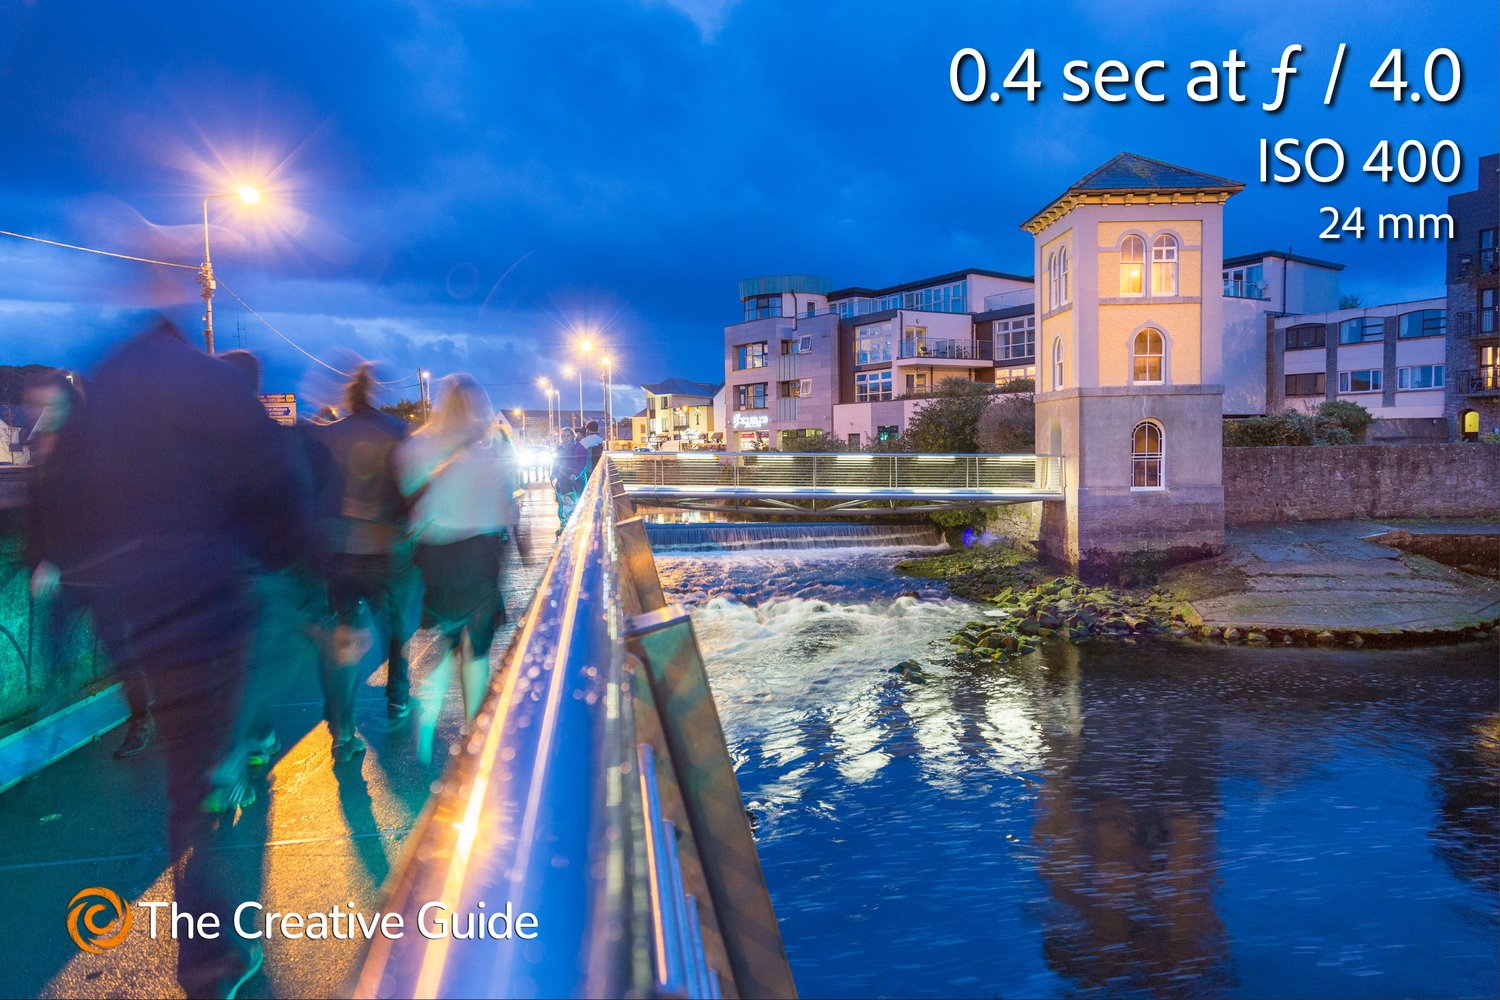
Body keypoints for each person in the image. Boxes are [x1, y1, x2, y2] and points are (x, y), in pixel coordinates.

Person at [28, 317, 315, 996]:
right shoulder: (219, 401)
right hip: (215, 609)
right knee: (211, 753)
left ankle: (208, 950)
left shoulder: (110, 405)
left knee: (186, 786)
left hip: (154, 618)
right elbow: (279, 499)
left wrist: (68, 615)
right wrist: (304, 572)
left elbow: (67, 514)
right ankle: (214, 939)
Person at [396, 375, 519, 760]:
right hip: (479, 554)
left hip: (436, 554)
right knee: (475, 647)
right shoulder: (488, 454)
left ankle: (429, 710)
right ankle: (473, 731)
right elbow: (506, 512)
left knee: (445, 635)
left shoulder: (417, 447)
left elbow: (407, 497)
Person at [315, 365, 420, 762]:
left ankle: (343, 730)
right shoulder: (395, 432)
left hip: (341, 551)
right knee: (394, 628)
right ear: (373, 392)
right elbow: (409, 489)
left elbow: (319, 495)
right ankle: (397, 698)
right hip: (386, 548)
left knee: (346, 637)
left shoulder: (329, 436)